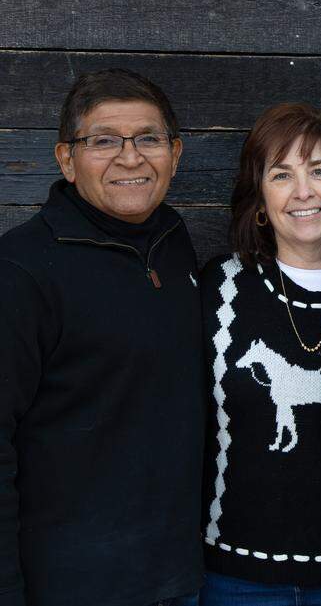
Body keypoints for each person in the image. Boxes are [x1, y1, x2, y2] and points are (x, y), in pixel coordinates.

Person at [0, 69, 203, 606]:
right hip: (71, 587)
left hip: (179, 579)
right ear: (66, 159)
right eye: (104, 141)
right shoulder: (21, 271)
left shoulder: (173, 243)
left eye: (149, 139)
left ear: (176, 154)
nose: (131, 158)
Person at [198, 103, 321, 605]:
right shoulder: (220, 287)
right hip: (236, 577)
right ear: (260, 198)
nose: (303, 192)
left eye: (320, 171)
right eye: (281, 175)